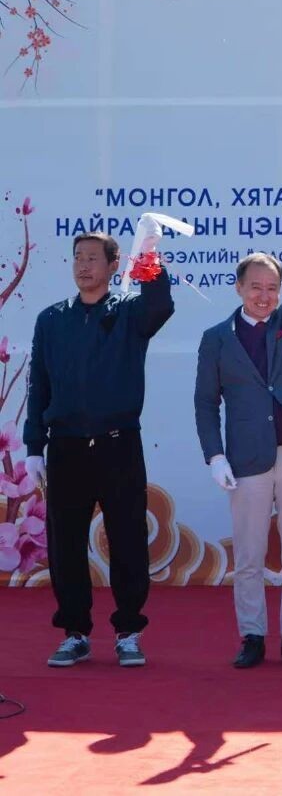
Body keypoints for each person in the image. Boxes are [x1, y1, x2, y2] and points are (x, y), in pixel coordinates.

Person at [26, 230, 174, 668]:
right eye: (78, 257)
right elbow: (39, 385)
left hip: (118, 443)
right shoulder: (51, 320)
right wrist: (34, 445)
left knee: (127, 538)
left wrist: (150, 257)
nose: (84, 265)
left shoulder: (129, 313)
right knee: (66, 544)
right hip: (66, 447)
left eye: (93, 258)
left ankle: (128, 631)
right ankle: (75, 633)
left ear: (113, 266)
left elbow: (160, 305)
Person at [194, 248, 282, 669]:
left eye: (272, 288)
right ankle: (252, 635)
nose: (264, 295)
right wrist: (214, 456)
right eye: (255, 287)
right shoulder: (216, 338)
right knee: (249, 554)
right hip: (245, 457)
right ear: (239, 287)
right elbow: (206, 402)